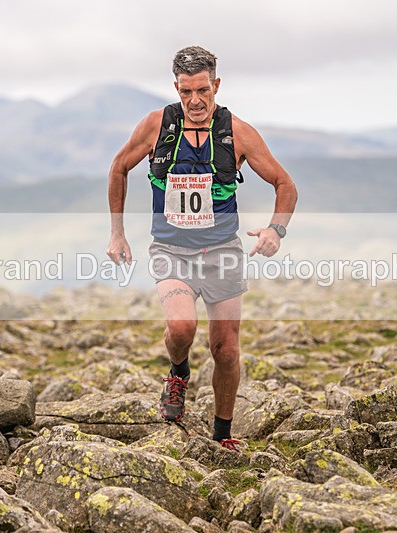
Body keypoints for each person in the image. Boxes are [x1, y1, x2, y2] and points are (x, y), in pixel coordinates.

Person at [107, 46, 297, 451]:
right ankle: (178, 372)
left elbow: (285, 185)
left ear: (216, 85)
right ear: (176, 87)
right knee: (181, 328)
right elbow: (119, 167)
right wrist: (117, 234)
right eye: (185, 92)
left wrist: (275, 230)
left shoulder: (238, 132)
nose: (194, 101)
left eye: (202, 91)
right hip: (171, 250)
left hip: (222, 251)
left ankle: (222, 436)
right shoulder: (156, 126)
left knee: (225, 350)